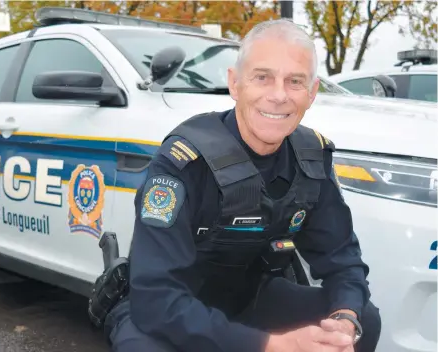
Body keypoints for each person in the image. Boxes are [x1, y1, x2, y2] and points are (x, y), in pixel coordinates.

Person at [103, 18, 381, 352]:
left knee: (364, 316)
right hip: (170, 311)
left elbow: (343, 261)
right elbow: (156, 300)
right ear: (235, 84)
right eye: (262, 77)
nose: (278, 96)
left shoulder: (311, 159)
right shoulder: (184, 162)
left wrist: (344, 320)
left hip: (248, 299)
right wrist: (270, 345)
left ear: (312, 93)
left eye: (295, 81)